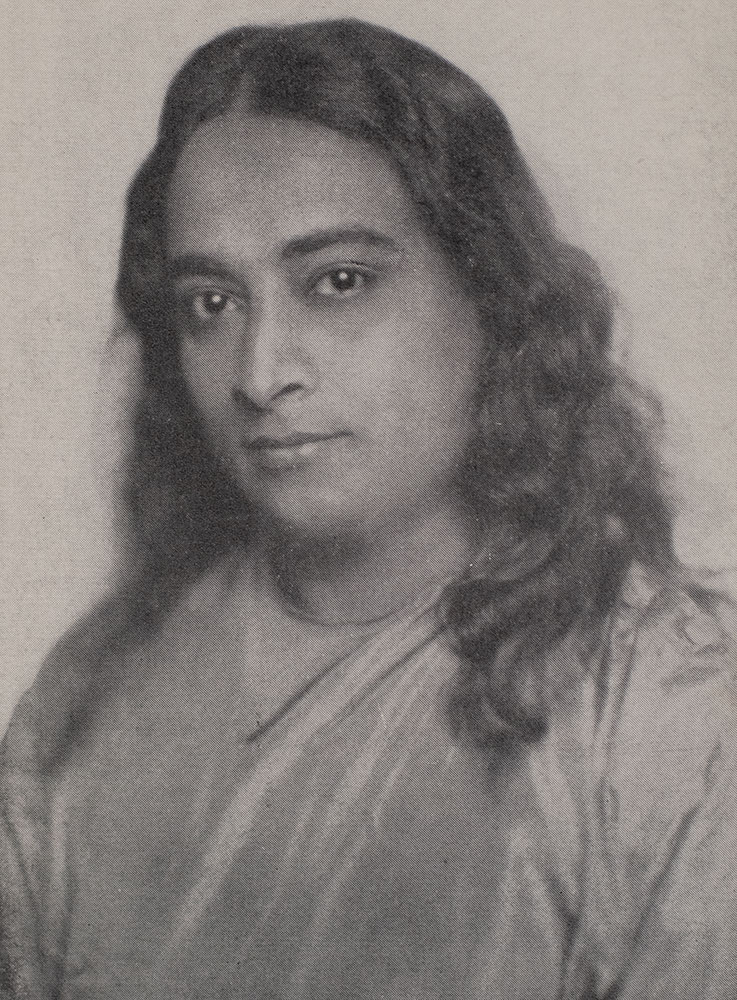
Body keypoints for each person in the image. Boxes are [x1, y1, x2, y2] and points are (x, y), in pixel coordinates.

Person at [1, 18, 735, 1000]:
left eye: (337, 282)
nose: (260, 373)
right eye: (211, 302)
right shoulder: (88, 696)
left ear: (489, 295)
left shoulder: (663, 705)